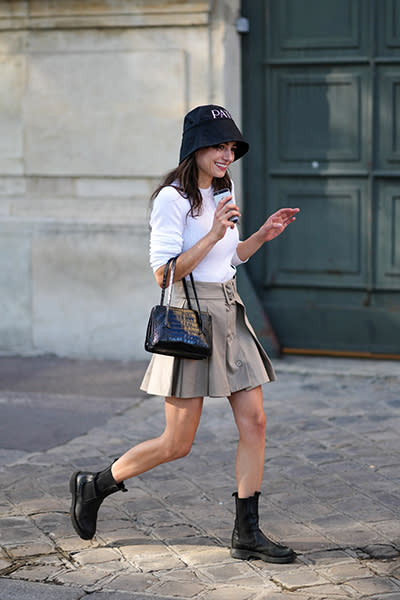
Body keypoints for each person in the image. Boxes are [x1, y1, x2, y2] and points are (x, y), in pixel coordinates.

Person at [69, 105, 300, 563]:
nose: (226, 154)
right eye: (218, 145)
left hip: (230, 311)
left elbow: (228, 260)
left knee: (255, 421)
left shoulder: (224, 189)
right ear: (195, 147)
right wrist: (214, 233)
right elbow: (164, 273)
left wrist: (259, 237)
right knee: (178, 442)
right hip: (190, 319)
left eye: (231, 147)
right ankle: (95, 484)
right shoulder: (171, 199)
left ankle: (246, 532)